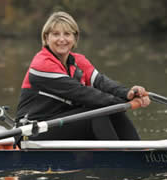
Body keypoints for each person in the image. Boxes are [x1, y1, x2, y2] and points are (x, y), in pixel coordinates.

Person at [15, 11, 150, 141]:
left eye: (67, 34)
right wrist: (123, 104)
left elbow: (101, 83)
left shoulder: (78, 61)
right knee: (98, 112)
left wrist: (129, 93)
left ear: (75, 38)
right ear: (46, 38)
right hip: (32, 131)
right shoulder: (42, 64)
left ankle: (138, 152)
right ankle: (118, 160)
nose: (62, 39)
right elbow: (82, 93)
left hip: (61, 122)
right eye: (56, 34)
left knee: (110, 110)